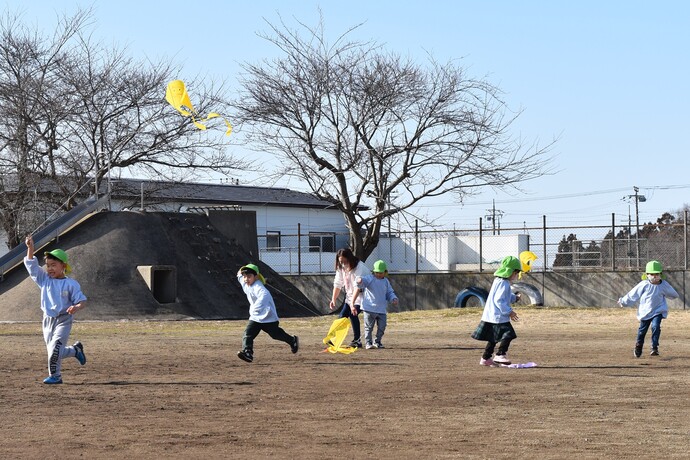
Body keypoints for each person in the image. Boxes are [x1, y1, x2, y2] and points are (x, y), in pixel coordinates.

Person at [23, 235, 87, 384]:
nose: (49, 268)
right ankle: (75, 350)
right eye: (48, 265)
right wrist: (30, 248)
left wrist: (76, 307)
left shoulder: (71, 284)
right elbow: (32, 266)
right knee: (54, 351)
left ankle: (56, 376)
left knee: (55, 350)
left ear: (63, 266)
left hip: (63, 320)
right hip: (47, 320)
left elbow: (82, 300)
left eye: (53, 265)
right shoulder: (44, 279)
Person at [236, 263, 299, 363]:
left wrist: (255, 308)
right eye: (245, 277)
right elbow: (239, 276)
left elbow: (264, 296)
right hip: (256, 318)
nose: (246, 279)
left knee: (275, 334)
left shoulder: (258, 286)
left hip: (267, 316)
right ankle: (248, 352)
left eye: (249, 276)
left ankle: (292, 340)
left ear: (256, 277)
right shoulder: (246, 284)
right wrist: (240, 274)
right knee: (248, 334)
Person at [618, 260, 679, 358]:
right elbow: (633, 294)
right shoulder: (644, 284)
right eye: (652, 274)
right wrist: (623, 301)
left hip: (658, 311)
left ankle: (654, 347)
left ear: (660, 274)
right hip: (645, 312)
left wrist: (670, 294)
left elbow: (673, 294)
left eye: (656, 274)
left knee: (655, 326)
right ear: (647, 274)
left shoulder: (664, 285)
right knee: (642, 331)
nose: (654, 276)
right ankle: (638, 346)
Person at [471, 255, 522, 366]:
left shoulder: (498, 281)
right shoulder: (504, 283)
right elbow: (499, 300)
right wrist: (509, 311)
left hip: (491, 315)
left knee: (493, 337)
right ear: (510, 271)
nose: (517, 275)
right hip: (498, 316)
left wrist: (515, 298)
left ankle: (486, 358)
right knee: (509, 334)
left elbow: (505, 296)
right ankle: (500, 354)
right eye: (516, 272)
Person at [329, 248, 371, 348]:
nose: (343, 264)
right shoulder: (341, 268)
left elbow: (358, 287)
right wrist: (333, 299)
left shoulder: (359, 267)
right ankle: (335, 339)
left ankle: (357, 340)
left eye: (345, 261)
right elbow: (338, 283)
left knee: (353, 314)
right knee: (342, 316)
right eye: (340, 262)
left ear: (350, 258)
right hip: (350, 297)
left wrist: (352, 304)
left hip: (362, 297)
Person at [353, 260, 398, 349]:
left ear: (385, 272)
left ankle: (377, 341)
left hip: (381, 309)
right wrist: (359, 280)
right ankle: (368, 343)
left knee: (382, 326)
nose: (378, 274)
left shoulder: (386, 282)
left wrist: (393, 298)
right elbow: (362, 283)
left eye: (381, 273)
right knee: (368, 327)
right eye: (376, 272)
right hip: (369, 308)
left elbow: (389, 292)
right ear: (374, 272)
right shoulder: (370, 278)